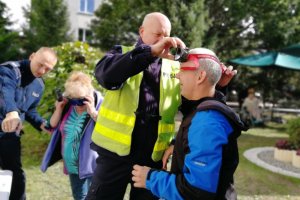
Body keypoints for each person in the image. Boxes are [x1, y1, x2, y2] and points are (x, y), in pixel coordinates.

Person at [86, 12, 236, 200]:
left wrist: (217, 86)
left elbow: (194, 109)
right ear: (142, 31)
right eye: (158, 35)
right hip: (114, 156)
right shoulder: (122, 53)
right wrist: (150, 53)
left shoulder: (175, 67)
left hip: (153, 158)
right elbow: (105, 77)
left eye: (166, 35)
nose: (163, 40)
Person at [132, 47, 247, 200]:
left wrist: (150, 178)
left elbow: (197, 192)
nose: (177, 75)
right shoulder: (205, 113)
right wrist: (180, 145)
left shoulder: (207, 124)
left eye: (183, 70)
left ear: (200, 77)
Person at [0, 47, 57, 200]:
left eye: (48, 68)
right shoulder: (9, 70)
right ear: (32, 56)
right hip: (4, 122)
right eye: (41, 64)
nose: (43, 70)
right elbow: (5, 92)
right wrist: (11, 112)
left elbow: (30, 110)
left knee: (15, 175)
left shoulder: (39, 85)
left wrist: (42, 124)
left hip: (10, 134)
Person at [40, 71, 103, 200]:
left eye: (80, 101)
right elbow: (51, 125)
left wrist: (93, 112)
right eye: (73, 101)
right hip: (72, 164)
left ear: (88, 96)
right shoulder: (68, 107)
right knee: (79, 196)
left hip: (93, 164)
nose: (77, 105)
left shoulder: (98, 105)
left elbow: (107, 127)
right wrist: (59, 108)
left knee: (96, 196)